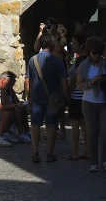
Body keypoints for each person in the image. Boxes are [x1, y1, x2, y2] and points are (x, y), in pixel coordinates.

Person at [25, 33, 69, 163]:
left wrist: (28, 97)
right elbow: (64, 82)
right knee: (51, 125)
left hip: (36, 97)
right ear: (51, 44)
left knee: (35, 125)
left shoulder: (33, 60)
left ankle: (35, 152)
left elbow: (27, 81)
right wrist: (66, 98)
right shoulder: (57, 60)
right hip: (53, 98)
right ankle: (50, 153)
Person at [76, 36, 106, 173]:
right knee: (93, 133)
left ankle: (104, 161)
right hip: (89, 102)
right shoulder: (84, 65)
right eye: (94, 53)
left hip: (103, 102)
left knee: (104, 132)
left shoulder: (105, 64)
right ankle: (93, 162)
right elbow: (79, 85)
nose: (97, 56)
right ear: (89, 52)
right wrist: (90, 83)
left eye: (99, 53)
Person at [33, 18, 68, 138]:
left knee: (58, 100)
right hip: (45, 70)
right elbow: (36, 48)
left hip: (57, 70)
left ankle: (62, 125)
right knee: (47, 100)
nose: (49, 27)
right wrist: (41, 31)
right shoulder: (45, 37)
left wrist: (52, 35)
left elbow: (58, 48)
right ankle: (51, 126)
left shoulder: (60, 38)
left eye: (51, 26)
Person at [67, 33, 89, 161]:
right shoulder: (86, 59)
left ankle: (75, 152)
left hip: (77, 95)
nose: (72, 45)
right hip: (83, 96)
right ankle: (87, 150)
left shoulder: (81, 60)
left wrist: (68, 93)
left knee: (76, 124)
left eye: (74, 43)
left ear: (81, 46)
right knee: (83, 124)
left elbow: (74, 77)